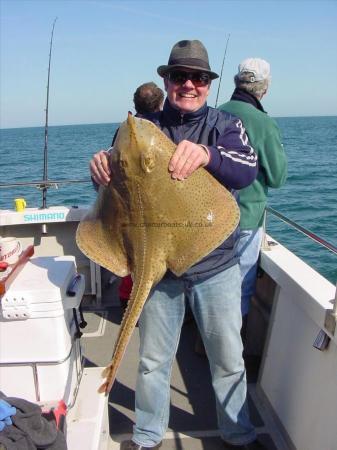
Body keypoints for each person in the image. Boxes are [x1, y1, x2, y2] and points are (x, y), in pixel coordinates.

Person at [90, 40, 266, 450]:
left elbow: (248, 169)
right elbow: (115, 190)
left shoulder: (224, 125)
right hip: (158, 270)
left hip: (215, 264)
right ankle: (147, 436)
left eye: (199, 77)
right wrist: (100, 169)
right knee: (152, 361)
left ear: (208, 84)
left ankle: (238, 434)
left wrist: (208, 155)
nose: (189, 84)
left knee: (228, 360)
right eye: (179, 76)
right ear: (165, 80)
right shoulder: (142, 128)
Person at [218, 58, 287, 340]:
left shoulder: (215, 113)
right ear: (264, 88)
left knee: (211, 282)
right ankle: (233, 355)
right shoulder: (264, 123)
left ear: (237, 82)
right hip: (246, 219)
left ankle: (202, 340)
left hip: (212, 220)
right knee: (241, 289)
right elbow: (278, 177)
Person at [118, 82, 164, 310]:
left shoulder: (123, 130)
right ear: (161, 104)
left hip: (127, 207)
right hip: (155, 207)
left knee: (131, 253)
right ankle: (145, 300)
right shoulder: (161, 129)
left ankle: (127, 296)